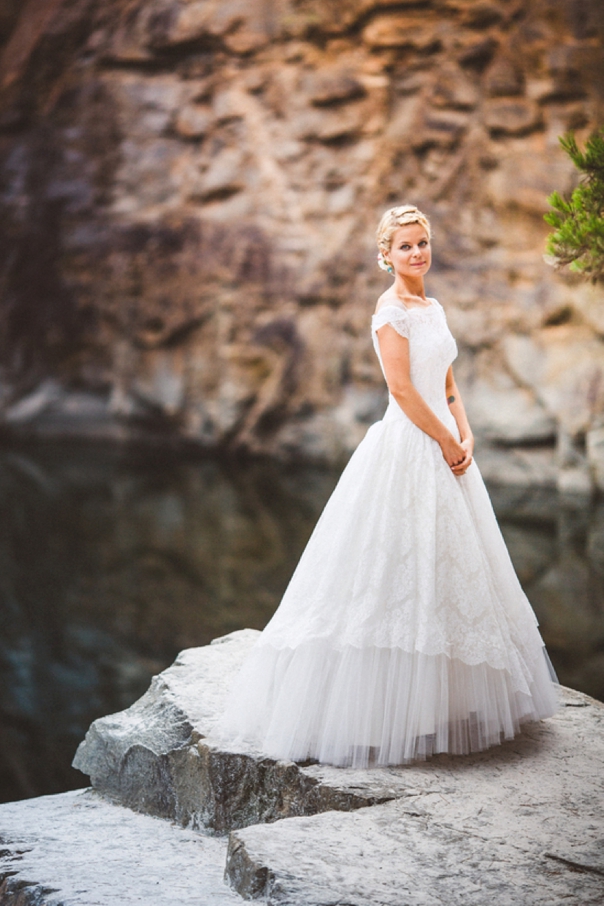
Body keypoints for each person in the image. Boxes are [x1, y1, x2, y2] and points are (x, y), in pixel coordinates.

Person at [219, 204, 558, 768]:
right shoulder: (389, 310)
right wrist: (445, 442)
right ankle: (381, 707)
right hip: (408, 448)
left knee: (452, 568)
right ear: (386, 255)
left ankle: (447, 701)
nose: (417, 253)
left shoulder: (434, 306)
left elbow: (446, 380)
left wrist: (465, 429)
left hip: (447, 443)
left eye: (422, 242)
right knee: (394, 571)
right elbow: (401, 390)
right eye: (404, 246)